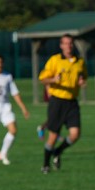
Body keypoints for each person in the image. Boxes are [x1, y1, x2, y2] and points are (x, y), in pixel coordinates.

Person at [38, 34, 87, 174]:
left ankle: (58, 152)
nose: (68, 46)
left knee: (75, 134)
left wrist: (81, 82)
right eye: (65, 43)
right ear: (61, 45)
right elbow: (42, 79)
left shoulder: (79, 62)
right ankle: (45, 165)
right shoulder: (55, 60)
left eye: (70, 43)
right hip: (57, 102)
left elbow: (83, 76)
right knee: (52, 136)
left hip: (72, 102)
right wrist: (53, 79)